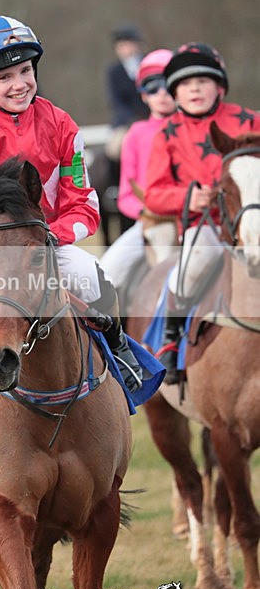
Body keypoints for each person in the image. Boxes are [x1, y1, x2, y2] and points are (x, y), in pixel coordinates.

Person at [0, 14, 142, 405]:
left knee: (94, 276)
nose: (19, 84)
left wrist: (50, 236)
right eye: (4, 77)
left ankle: (119, 349)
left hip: (45, 240)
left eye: (24, 70)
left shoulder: (63, 126)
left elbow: (83, 203)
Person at [144, 42, 260, 383]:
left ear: (220, 86)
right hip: (206, 225)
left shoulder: (250, 120)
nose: (195, 88)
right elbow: (153, 193)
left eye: (203, 81)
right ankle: (170, 343)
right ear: (175, 94)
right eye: (185, 83)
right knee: (189, 270)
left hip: (253, 218)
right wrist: (188, 197)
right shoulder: (166, 133)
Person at [100, 49, 176, 289]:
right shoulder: (135, 134)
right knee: (106, 273)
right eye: (153, 87)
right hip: (148, 222)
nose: (162, 94)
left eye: (168, 86)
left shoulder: (190, 130)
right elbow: (126, 195)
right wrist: (146, 211)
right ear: (143, 95)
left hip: (190, 221)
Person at [99, 23, 150, 243]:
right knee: (115, 148)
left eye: (128, 44)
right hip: (125, 122)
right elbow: (116, 101)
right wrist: (130, 120)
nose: (126, 48)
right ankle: (115, 189)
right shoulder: (114, 71)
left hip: (149, 119)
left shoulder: (146, 65)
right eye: (121, 45)